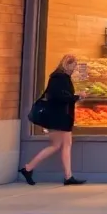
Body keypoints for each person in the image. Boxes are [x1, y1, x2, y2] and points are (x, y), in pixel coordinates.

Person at [19, 54, 87, 186]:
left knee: (65, 145)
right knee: (57, 146)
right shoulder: (59, 78)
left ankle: (68, 176)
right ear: (67, 65)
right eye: (73, 66)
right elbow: (59, 97)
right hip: (58, 118)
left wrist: (75, 97)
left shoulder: (61, 77)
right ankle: (28, 168)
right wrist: (77, 97)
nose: (74, 69)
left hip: (62, 117)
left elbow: (62, 96)